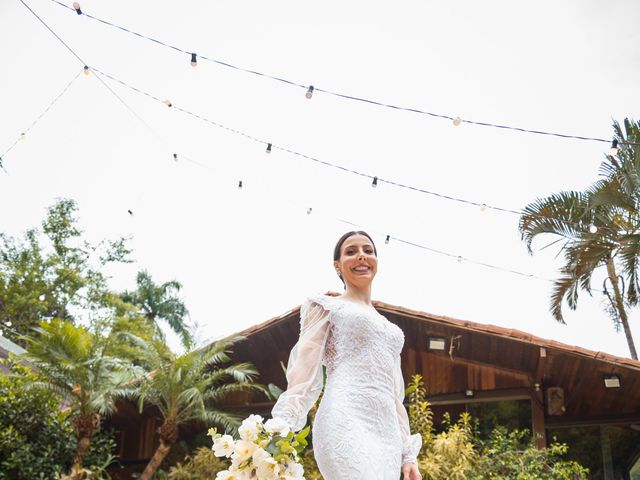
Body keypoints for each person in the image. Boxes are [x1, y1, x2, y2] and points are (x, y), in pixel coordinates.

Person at [271, 231, 422, 480]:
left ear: (376, 261)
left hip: (387, 436)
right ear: (337, 266)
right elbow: (304, 371)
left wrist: (407, 454)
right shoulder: (326, 306)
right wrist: (283, 426)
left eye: (368, 250)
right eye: (351, 252)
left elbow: (395, 393)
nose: (362, 256)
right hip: (344, 418)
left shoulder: (389, 327)